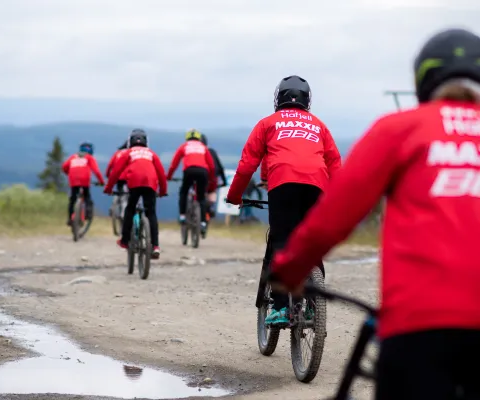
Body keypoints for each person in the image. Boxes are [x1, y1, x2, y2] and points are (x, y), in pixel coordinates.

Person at [268, 28, 480, 400]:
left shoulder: (400, 129)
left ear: (423, 80)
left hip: (418, 326)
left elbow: (335, 214)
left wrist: (290, 268)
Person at [226, 75, 341, 326]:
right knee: (310, 243)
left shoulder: (268, 123)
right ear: (307, 100)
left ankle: (280, 307)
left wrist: (234, 196)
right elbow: (335, 164)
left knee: (282, 241)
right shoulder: (319, 125)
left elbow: (247, 164)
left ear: (278, 98)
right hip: (317, 185)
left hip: (284, 183)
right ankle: (313, 306)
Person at [104, 129, 167, 259]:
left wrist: (108, 188)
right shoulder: (151, 153)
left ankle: (124, 241)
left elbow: (116, 172)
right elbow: (161, 173)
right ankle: (155, 246)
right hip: (150, 183)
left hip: (134, 183)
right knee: (151, 213)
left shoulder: (128, 153)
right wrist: (163, 191)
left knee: (130, 209)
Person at [167, 128, 216, 234]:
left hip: (189, 171)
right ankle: (203, 222)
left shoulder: (184, 146)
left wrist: (169, 176)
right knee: (201, 197)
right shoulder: (203, 147)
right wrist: (211, 178)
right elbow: (212, 166)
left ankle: (182, 216)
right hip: (203, 172)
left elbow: (174, 164)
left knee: (183, 192)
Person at [62, 142, 105, 226]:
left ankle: (70, 218)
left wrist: (69, 173)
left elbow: (64, 167)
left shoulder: (73, 156)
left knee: (72, 199)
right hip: (84, 179)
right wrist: (101, 182)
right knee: (87, 197)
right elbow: (96, 171)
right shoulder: (89, 157)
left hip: (73, 179)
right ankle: (88, 214)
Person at [201, 133, 227, 219]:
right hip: (213, 180)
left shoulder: (195, 152)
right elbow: (220, 167)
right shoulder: (212, 151)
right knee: (211, 194)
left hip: (199, 179)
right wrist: (224, 181)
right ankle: (210, 208)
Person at [106, 139, 130, 221]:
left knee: (120, 192)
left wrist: (108, 175)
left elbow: (110, 165)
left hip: (118, 177)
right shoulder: (131, 153)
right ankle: (124, 212)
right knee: (127, 195)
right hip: (129, 177)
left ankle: (114, 206)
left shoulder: (117, 153)